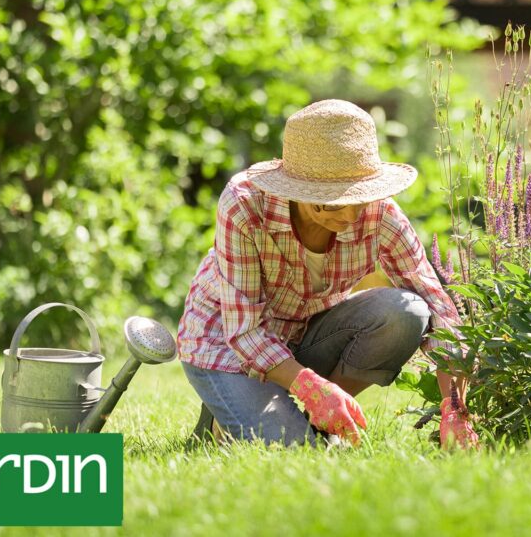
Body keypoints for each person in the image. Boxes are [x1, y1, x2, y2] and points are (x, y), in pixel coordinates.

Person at [177, 99, 479, 449]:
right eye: (334, 202)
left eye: (361, 199)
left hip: (303, 337)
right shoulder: (245, 205)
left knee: (408, 312)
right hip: (226, 346)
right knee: (294, 452)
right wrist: (310, 388)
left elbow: (439, 309)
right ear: (298, 190)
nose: (352, 217)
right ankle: (228, 415)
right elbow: (244, 332)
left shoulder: (380, 214)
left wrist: (454, 408)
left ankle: (320, 420)